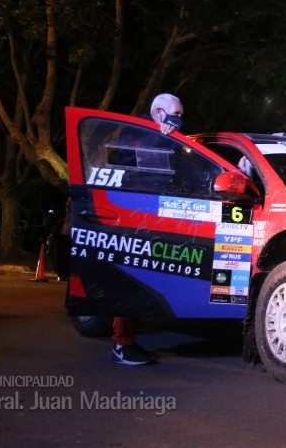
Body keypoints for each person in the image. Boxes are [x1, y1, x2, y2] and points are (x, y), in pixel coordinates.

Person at [112, 92, 184, 366]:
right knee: (131, 281)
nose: (180, 120)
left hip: (154, 217)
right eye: (176, 114)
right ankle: (122, 344)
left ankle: (128, 340)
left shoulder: (169, 137)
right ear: (159, 113)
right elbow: (130, 166)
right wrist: (158, 138)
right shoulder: (136, 131)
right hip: (133, 218)